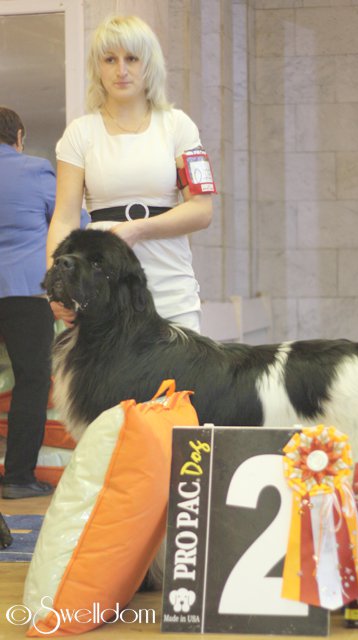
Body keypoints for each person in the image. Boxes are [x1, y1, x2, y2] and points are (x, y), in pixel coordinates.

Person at [47, 14, 214, 333]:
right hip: (101, 288)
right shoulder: (80, 133)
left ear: (148, 64)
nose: (121, 70)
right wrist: (56, 285)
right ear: (98, 66)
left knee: (176, 383)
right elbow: (65, 218)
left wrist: (136, 231)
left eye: (132, 58)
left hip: (170, 284)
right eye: (110, 59)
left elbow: (202, 210)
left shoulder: (178, 126)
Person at [0, 106, 56, 499]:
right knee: (32, 381)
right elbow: (75, 221)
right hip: (25, 293)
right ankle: (18, 478)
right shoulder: (37, 170)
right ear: (19, 136)